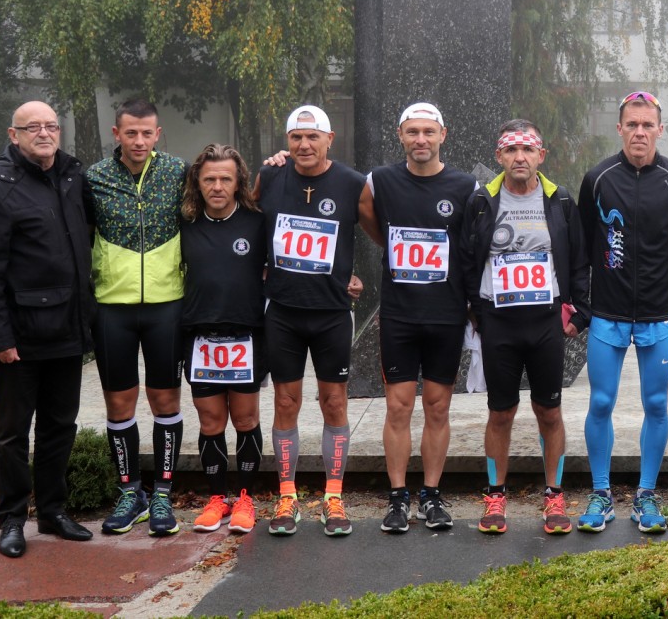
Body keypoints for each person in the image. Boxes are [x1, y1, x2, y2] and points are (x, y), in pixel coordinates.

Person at [0, 101, 96, 558]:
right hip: (21, 336)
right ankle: (12, 519)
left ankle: (53, 512)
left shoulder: (71, 176)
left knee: (60, 426)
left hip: (66, 330)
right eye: (32, 127)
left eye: (51, 126)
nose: (44, 133)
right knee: (13, 433)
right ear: (14, 134)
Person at [576, 91, 668, 534]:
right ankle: (601, 493)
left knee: (656, 403)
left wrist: (656, 277)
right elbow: (582, 245)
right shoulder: (597, 178)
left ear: (659, 130)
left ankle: (646, 494)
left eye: (648, 125)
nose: (640, 132)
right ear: (620, 128)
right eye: (632, 124)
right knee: (601, 401)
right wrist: (584, 300)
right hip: (607, 313)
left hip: (657, 312)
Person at [462, 119, 589, 535]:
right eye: (511, 150)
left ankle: (554, 495)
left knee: (549, 411)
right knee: (500, 412)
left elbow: (578, 260)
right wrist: (474, 310)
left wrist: (580, 312)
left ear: (541, 156)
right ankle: (495, 496)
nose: (520, 157)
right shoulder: (482, 200)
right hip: (499, 321)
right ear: (499, 156)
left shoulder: (560, 199)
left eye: (528, 150)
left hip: (544, 321)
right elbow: (467, 257)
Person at [258, 104, 377, 537]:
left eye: (313, 137)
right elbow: (248, 227)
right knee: (285, 402)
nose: (304, 145)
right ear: (287, 142)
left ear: (330, 139)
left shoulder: (351, 183)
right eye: (296, 137)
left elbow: (378, 234)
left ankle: (334, 496)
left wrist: (358, 275)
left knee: (334, 402)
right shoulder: (270, 176)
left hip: (331, 314)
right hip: (283, 312)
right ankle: (286, 496)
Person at [368, 102, 476, 534]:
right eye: (412, 132)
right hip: (399, 314)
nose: (421, 139)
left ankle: (431, 494)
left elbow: (471, 246)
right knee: (398, 406)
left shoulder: (465, 186)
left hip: (445, 314)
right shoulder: (381, 180)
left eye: (428, 132)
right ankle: (397, 497)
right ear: (400, 135)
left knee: (438, 405)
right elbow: (366, 215)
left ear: (442, 135)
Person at [86, 99, 188, 536]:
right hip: (113, 306)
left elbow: (228, 185)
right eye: (131, 133)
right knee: (119, 403)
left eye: (147, 133)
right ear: (117, 134)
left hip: (167, 304)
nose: (140, 141)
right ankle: (131, 493)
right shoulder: (94, 178)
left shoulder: (178, 172)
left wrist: (277, 161)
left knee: (165, 401)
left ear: (158, 134)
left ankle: (162, 494)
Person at [178, 145, 268, 534]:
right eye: (209, 179)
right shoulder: (184, 223)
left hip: (246, 335)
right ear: (197, 183)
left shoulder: (257, 222)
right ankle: (217, 498)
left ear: (238, 182)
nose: (217, 186)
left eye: (225, 179)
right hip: (200, 336)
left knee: (245, 418)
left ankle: (245, 498)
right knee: (211, 420)